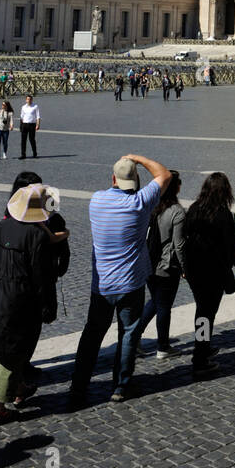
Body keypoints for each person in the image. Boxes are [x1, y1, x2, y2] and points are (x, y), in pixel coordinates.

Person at [69, 153, 172, 407]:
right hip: (130, 284)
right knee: (128, 334)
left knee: (92, 336)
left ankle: (78, 386)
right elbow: (164, 174)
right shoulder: (139, 203)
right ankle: (121, 386)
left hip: (102, 285)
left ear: (113, 178)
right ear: (135, 181)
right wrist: (137, 158)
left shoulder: (96, 201)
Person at [0, 183, 69, 425]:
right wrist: (48, 306)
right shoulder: (36, 235)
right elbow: (41, 276)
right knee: (15, 352)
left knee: (0, 346)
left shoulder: (3, 225)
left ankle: (18, 388)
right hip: (20, 300)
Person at [181, 172, 235, 375]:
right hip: (213, 271)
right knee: (206, 313)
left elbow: (184, 237)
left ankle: (204, 346)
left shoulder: (194, 209)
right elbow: (231, 244)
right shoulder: (222, 213)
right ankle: (200, 355)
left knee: (203, 310)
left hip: (194, 270)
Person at [137, 171, 186, 359]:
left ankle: (134, 338)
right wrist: (184, 268)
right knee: (164, 305)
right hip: (166, 266)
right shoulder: (176, 211)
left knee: (156, 302)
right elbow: (179, 245)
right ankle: (163, 346)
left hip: (148, 263)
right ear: (176, 187)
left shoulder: (151, 206)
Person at [19, 94, 40, 159]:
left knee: (32, 140)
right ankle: (23, 154)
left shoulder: (35, 106)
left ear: (32, 100)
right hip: (24, 124)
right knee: (23, 140)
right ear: (26, 100)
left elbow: (38, 116)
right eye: (28, 99)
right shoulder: (23, 107)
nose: (29, 100)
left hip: (32, 125)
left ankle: (35, 153)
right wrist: (21, 126)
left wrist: (38, 125)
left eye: (30, 99)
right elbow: (21, 117)